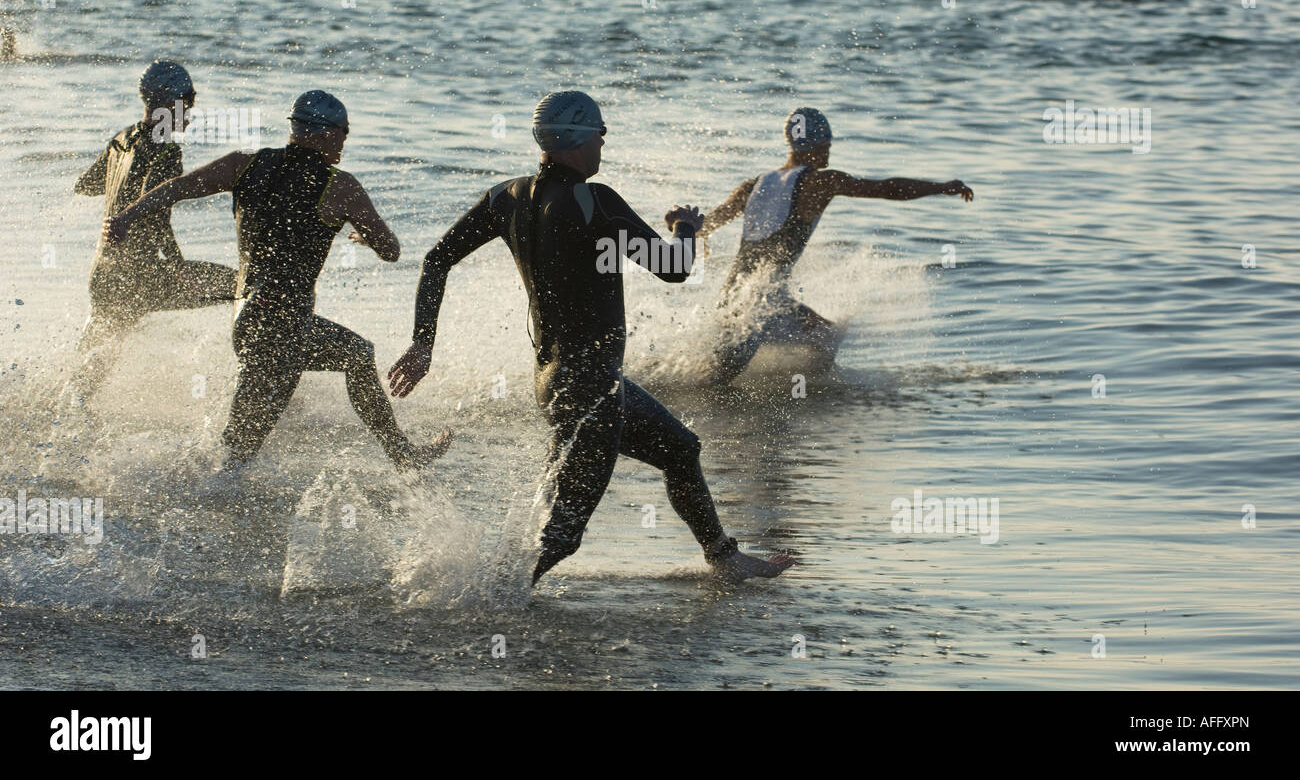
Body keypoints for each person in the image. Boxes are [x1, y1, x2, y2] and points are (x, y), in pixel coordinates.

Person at [388, 91, 794, 585]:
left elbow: (436, 259)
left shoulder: (505, 197)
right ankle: (484, 595)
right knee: (563, 535)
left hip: (560, 380)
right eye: (601, 135)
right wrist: (686, 228)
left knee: (680, 449)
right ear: (580, 139)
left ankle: (722, 557)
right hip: (590, 387)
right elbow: (673, 269)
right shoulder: (594, 200)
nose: (603, 146)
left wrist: (423, 342)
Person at [103, 90, 451, 471]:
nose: (344, 142)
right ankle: (402, 457)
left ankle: (402, 455)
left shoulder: (245, 164)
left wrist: (124, 218)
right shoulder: (341, 187)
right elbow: (392, 250)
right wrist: (364, 236)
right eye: (344, 134)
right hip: (285, 324)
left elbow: (179, 188)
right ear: (325, 134)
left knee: (244, 441)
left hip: (247, 319)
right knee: (240, 452)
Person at [697, 107, 974, 385]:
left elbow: (708, 223)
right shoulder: (821, 181)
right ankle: (804, 393)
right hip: (763, 305)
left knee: (824, 334)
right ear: (814, 144)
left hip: (733, 295)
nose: (828, 153)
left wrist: (693, 231)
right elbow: (886, 189)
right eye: (826, 145)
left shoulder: (754, 184)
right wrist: (940, 187)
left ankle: (804, 389)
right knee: (713, 382)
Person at [71, 61, 237, 397]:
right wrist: (179, 269)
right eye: (186, 104)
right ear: (168, 103)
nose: (190, 113)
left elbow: (85, 185)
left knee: (102, 347)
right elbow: (159, 218)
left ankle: (64, 404)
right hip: (140, 276)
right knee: (244, 287)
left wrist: (122, 183)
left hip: (103, 271)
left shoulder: (121, 139)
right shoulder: (166, 150)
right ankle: (269, 384)